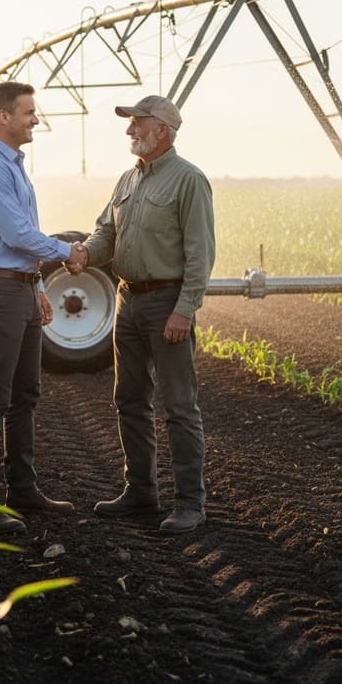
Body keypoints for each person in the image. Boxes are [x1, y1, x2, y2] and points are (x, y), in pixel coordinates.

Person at [70, 95, 215, 534]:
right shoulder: (126, 180)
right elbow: (106, 233)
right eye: (130, 123)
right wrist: (84, 255)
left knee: (178, 407)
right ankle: (140, 491)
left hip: (166, 303)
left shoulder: (189, 180)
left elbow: (200, 254)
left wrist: (184, 310)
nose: (130, 130)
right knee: (129, 400)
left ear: (163, 130)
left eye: (137, 123)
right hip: (127, 300)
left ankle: (190, 502)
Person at [0, 80, 84, 534]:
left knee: (25, 394)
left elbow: (17, 242)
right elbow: (15, 234)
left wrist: (36, 287)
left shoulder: (13, 165)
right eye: (29, 111)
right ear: (3, 117)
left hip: (20, 289)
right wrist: (67, 250)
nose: (36, 118)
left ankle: (23, 488)